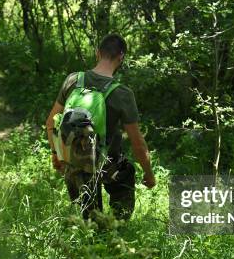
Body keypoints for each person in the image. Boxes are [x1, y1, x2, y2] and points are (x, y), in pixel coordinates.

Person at [46, 34, 155, 220]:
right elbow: (138, 144)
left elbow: (50, 122)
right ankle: (117, 231)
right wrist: (149, 174)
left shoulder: (73, 80)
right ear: (121, 57)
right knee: (125, 179)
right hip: (109, 165)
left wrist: (58, 154)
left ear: (97, 53)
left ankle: (94, 237)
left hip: (75, 163)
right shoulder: (122, 93)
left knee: (88, 225)